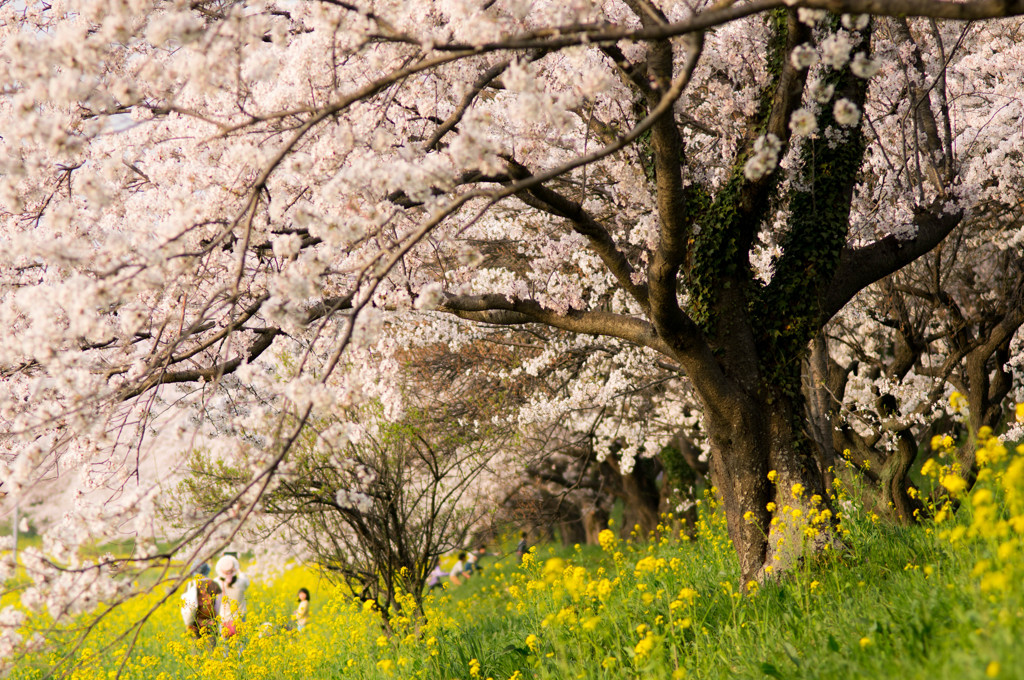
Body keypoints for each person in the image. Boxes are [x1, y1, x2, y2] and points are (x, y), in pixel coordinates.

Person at [215, 555, 250, 637]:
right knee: (241, 647)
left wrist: (224, 571)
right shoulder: (241, 583)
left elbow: (217, 578)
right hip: (239, 621)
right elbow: (244, 578)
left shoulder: (218, 584)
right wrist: (237, 569)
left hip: (224, 621)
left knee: (225, 648)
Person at [186, 577, 222, 650]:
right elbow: (219, 607)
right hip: (209, 624)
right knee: (211, 652)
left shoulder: (190, 584)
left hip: (195, 625)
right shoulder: (214, 585)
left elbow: (186, 609)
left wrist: (189, 622)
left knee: (196, 653)